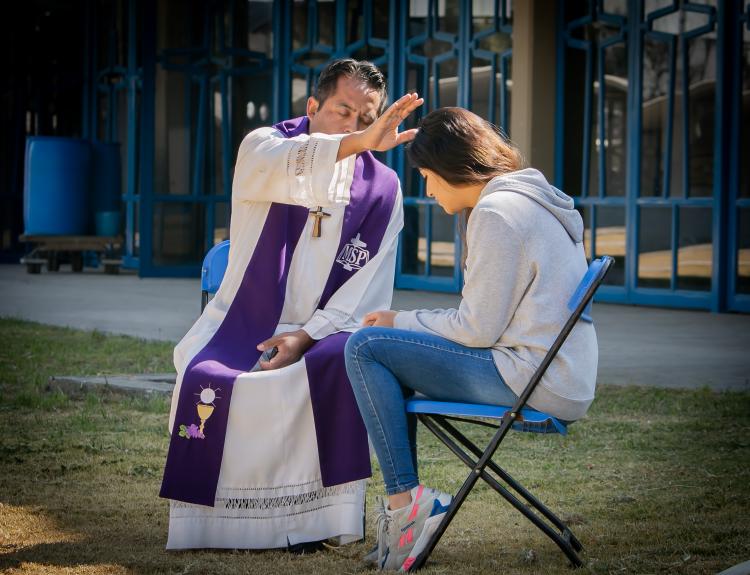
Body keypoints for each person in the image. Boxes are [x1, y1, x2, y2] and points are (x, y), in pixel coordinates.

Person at [160, 58, 423, 551]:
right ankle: (221, 525)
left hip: (321, 326)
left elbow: (365, 286)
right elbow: (295, 165)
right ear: (311, 106)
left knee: (336, 364)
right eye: (343, 112)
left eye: (367, 121)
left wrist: (305, 336)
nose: (354, 127)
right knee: (212, 375)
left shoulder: (383, 189)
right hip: (241, 318)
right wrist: (360, 142)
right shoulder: (264, 146)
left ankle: (312, 525)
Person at [344, 107, 598, 571]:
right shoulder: (525, 199)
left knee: (364, 346)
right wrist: (406, 324)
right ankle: (408, 512)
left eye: (426, 174)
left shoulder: (499, 213)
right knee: (382, 351)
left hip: (533, 377)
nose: (427, 188)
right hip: (554, 373)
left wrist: (400, 320)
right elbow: (481, 323)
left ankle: (406, 510)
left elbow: (476, 328)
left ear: (452, 165)